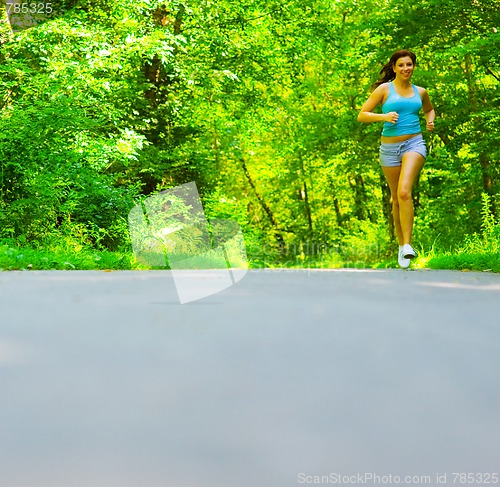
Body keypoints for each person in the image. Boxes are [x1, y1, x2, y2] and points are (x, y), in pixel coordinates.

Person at [358, 49, 435, 269]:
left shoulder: (420, 92)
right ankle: (402, 247)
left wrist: (430, 121)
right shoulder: (384, 89)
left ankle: (408, 244)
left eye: (409, 64)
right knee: (395, 197)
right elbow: (362, 114)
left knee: (404, 191)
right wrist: (383, 116)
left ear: (414, 66)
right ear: (394, 68)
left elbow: (430, 110)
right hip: (389, 148)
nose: (405, 69)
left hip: (414, 143)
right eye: (401, 65)